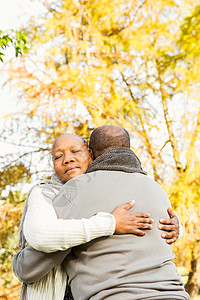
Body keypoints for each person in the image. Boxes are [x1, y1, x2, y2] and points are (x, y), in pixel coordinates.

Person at [13, 133, 182, 300]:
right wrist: (110, 224)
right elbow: (35, 250)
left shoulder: (115, 188)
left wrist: (177, 228)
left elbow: (153, 218)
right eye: (58, 156)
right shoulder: (45, 193)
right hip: (58, 292)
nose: (68, 159)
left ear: (91, 154)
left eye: (76, 151)